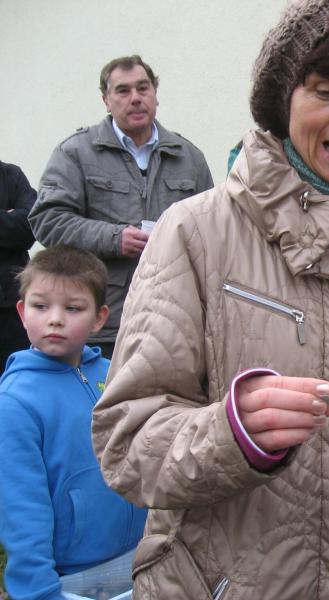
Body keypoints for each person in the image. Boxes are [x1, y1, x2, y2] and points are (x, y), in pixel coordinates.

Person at [91, 1, 329, 598]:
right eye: (326, 91)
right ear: (282, 102)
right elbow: (127, 443)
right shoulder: (195, 233)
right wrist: (231, 433)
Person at [28, 55, 214, 359]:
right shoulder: (76, 152)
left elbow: (211, 230)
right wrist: (115, 238)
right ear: (106, 100)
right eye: (123, 91)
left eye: (143, 88)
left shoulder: (189, 157)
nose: (135, 98)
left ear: (155, 94)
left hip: (174, 322)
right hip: (103, 323)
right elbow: (48, 220)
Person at [0, 245, 147, 600]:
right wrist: (38, 592)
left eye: (73, 308)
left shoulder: (115, 375)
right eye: (40, 306)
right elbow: (20, 509)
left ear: (99, 318)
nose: (55, 319)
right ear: (21, 312)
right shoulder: (14, 403)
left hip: (138, 559)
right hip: (70, 579)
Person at [0, 160, 37, 374]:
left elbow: (31, 225)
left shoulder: (10, 175)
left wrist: (20, 221)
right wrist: (8, 217)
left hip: (11, 311)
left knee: (15, 380)